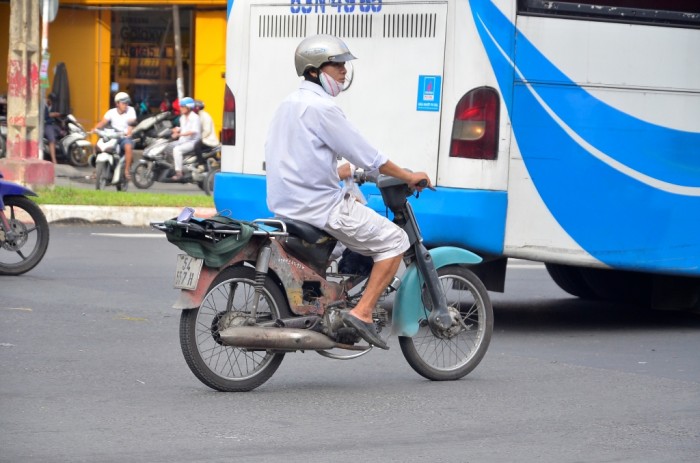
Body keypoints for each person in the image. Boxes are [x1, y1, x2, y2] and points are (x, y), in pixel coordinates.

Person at [264, 34, 431, 350]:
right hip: (319, 206)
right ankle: (363, 312)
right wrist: (408, 175)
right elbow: (368, 154)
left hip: (287, 205)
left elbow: (320, 155)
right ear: (314, 70)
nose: (343, 71)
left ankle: (332, 304)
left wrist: (360, 171)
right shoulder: (322, 108)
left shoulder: (288, 104)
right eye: (337, 65)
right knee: (396, 240)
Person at [93, 92, 137, 179]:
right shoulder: (111, 112)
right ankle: (97, 169)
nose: (126, 105)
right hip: (112, 136)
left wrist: (129, 130)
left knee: (128, 147)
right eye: (123, 103)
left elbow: (132, 122)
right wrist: (94, 129)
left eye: (127, 103)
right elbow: (102, 122)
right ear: (117, 103)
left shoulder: (131, 110)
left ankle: (127, 171)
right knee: (97, 145)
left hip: (124, 137)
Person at [169, 97, 201, 181]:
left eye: (182, 106)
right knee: (167, 146)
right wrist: (175, 129)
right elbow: (182, 128)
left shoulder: (195, 117)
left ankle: (179, 173)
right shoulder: (182, 117)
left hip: (193, 142)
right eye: (181, 106)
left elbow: (193, 131)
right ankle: (172, 167)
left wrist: (179, 134)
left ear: (188, 107)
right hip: (183, 140)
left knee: (177, 150)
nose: (181, 108)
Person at [44, 92, 62, 164]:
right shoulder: (43, 105)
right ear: (48, 99)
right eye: (51, 101)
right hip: (46, 124)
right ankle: (54, 159)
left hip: (52, 124)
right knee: (52, 140)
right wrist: (53, 114)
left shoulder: (51, 105)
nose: (52, 103)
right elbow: (45, 116)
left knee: (62, 132)